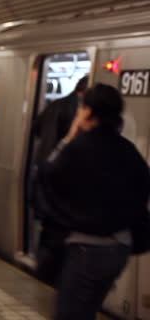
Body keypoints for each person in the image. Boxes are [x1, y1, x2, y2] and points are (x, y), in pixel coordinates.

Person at [36, 84, 150, 320]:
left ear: (87, 113)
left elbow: (47, 175)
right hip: (120, 249)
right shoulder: (128, 150)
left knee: (70, 314)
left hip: (86, 248)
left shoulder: (78, 148)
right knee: (87, 309)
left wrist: (68, 137)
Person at [32, 75, 89, 167]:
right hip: (60, 161)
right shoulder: (79, 110)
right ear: (86, 91)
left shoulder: (55, 103)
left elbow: (36, 128)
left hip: (42, 158)